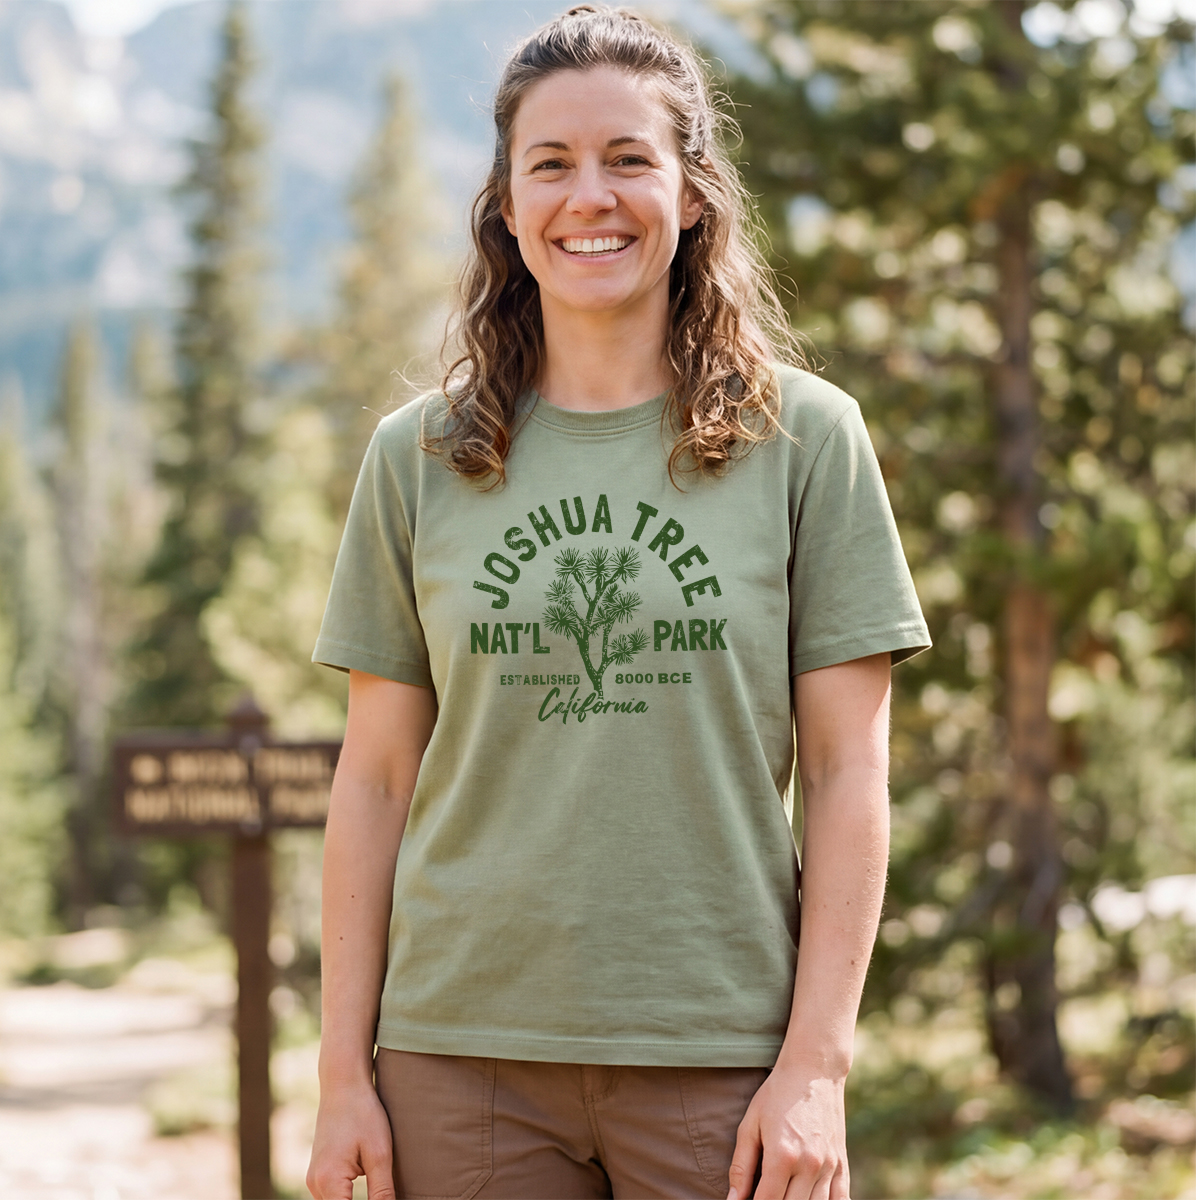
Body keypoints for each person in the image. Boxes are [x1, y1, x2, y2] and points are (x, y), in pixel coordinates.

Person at [306, 6, 929, 1200]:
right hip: (459, 1055)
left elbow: (852, 772)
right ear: (507, 203)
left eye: (629, 159)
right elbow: (376, 779)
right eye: (551, 164)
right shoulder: (418, 456)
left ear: (693, 194)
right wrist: (344, 1076)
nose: (589, 196)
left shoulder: (807, 441)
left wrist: (818, 1066)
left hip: (723, 1057)